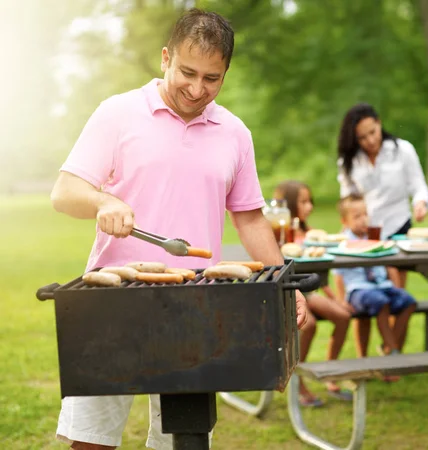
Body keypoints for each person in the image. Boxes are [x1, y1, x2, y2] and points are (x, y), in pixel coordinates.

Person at [49, 9, 308, 450]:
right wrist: (102, 200)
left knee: (182, 442)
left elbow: (248, 217)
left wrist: (285, 285)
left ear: (225, 73)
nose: (196, 88)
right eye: (187, 72)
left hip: (198, 304)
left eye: (212, 78)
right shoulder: (117, 113)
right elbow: (64, 191)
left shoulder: (234, 133)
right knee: (90, 442)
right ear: (166, 57)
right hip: (111, 303)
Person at [274, 180, 353, 406]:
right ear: (288, 204)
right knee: (308, 324)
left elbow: (320, 272)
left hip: (309, 290)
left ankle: (329, 374)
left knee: (343, 316)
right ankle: (297, 378)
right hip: (288, 290)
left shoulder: (309, 233)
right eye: (303, 201)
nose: (309, 206)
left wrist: (335, 298)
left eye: (310, 201)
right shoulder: (281, 232)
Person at [336, 102, 428, 288]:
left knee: (396, 291)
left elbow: (419, 186)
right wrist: (349, 224)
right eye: (362, 137)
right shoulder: (349, 161)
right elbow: (348, 199)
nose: (370, 141)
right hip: (364, 231)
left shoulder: (403, 150)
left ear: (379, 123)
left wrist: (421, 203)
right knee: (363, 289)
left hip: (397, 226)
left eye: (372, 132)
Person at [332, 194, 417, 362]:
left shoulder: (376, 236)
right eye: (357, 217)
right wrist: (342, 301)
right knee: (380, 302)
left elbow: (389, 263)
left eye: (365, 214)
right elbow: (338, 274)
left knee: (408, 302)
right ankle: (393, 353)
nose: (363, 220)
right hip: (358, 290)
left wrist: (397, 286)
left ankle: (389, 348)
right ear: (345, 221)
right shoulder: (344, 242)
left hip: (382, 285)